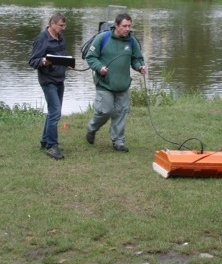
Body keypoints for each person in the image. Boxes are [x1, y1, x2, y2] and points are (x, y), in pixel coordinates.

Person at [83, 13, 146, 152]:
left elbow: (137, 59)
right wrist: (100, 68)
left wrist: (140, 67)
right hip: (104, 84)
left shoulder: (132, 41)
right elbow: (91, 57)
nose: (127, 29)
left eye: (129, 26)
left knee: (120, 113)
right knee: (104, 111)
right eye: (124, 26)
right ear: (116, 26)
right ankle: (91, 128)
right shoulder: (102, 38)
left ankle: (118, 142)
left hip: (122, 85)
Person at [29, 13, 70, 160]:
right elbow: (33, 61)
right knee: (55, 112)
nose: (63, 28)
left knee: (53, 111)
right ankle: (52, 146)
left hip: (60, 79)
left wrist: (67, 64)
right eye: (60, 25)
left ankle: (45, 141)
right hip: (48, 80)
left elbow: (61, 57)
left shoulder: (61, 38)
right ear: (52, 24)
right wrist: (43, 62)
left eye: (64, 26)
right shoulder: (42, 39)